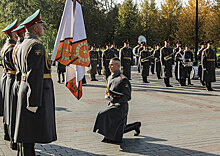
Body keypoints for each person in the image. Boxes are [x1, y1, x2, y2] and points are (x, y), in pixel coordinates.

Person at [14, 10, 57, 155]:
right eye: (41, 24)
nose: (43, 27)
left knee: (27, 134)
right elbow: (35, 75)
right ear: (34, 28)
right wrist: (33, 102)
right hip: (34, 93)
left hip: (24, 89)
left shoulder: (22, 44)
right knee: (30, 134)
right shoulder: (36, 45)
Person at [93, 57, 141, 144]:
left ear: (118, 66)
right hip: (111, 104)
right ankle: (135, 125)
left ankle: (110, 136)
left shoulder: (123, 80)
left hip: (120, 107)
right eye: (109, 65)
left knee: (102, 114)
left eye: (112, 65)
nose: (109, 66)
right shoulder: (110, 77)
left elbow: (127, 97)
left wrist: (114, 98)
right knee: (117, 128)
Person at [1, 19, 18, 149]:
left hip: (6, 77)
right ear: (11, 34)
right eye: (15, 32)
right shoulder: (12, 48)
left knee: (7, 109)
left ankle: (7, 134)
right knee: (12, 110)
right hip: (12, 78)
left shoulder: (5, 46)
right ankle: (13, 140)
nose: (18, 33)